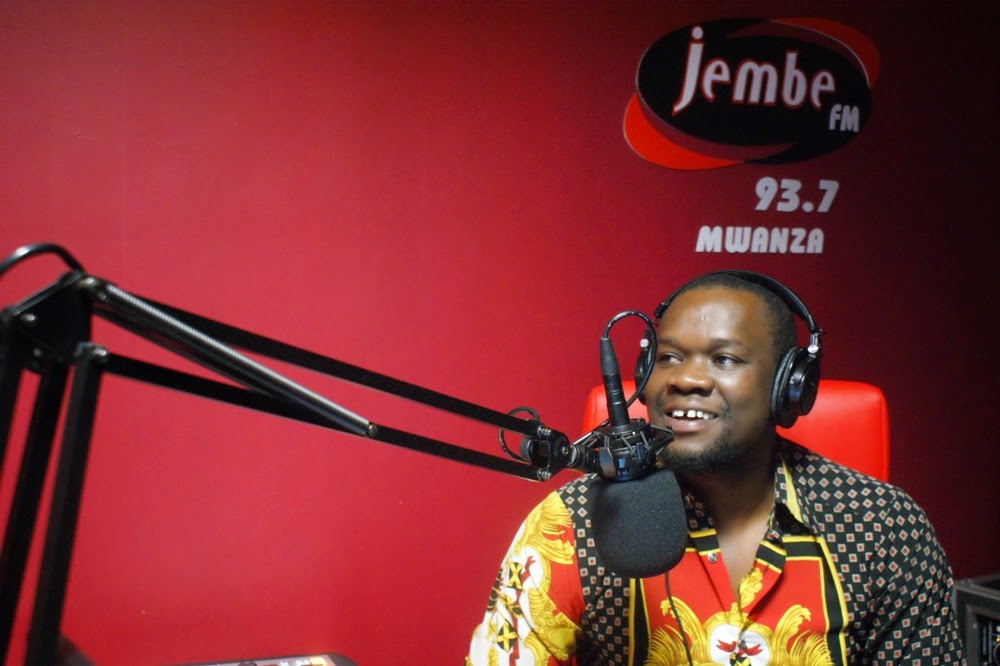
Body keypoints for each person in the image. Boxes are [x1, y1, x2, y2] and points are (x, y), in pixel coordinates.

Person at [466, 271, 965, 665]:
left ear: (788, 387)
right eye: (668, 357)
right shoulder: (573, 523)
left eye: (724, 359)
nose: (686, 379)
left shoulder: (882, 526)